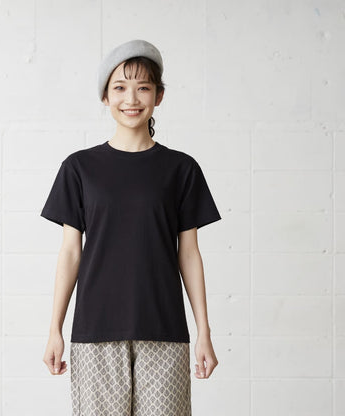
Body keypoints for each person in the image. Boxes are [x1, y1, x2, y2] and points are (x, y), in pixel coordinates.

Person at [40, 39, 222, 416]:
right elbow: (70, 252)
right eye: (120, 88)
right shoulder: (79, 168)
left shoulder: (181, 169)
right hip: (95, 334)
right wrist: (54, 328)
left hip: (164, 332)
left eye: (143, 88)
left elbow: (189, 254)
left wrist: (204, 331)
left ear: (159, 96)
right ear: (105, 97)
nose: (131, 99)